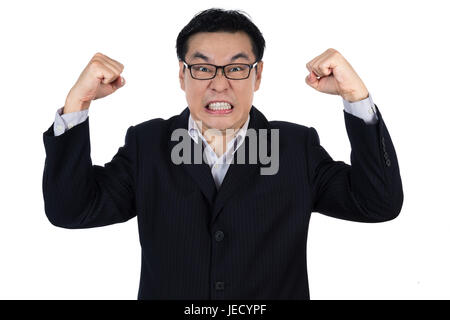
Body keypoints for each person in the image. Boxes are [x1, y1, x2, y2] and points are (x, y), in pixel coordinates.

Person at [42, 8, 403, 300]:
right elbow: (71, 210)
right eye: (201, 68)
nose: (219, 82)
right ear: (182, 76)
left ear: (257, 75)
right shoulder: (148, 144)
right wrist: (79, 104)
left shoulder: (295, 147)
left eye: (236, 67)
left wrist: (356, 96)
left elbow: (378, 204)